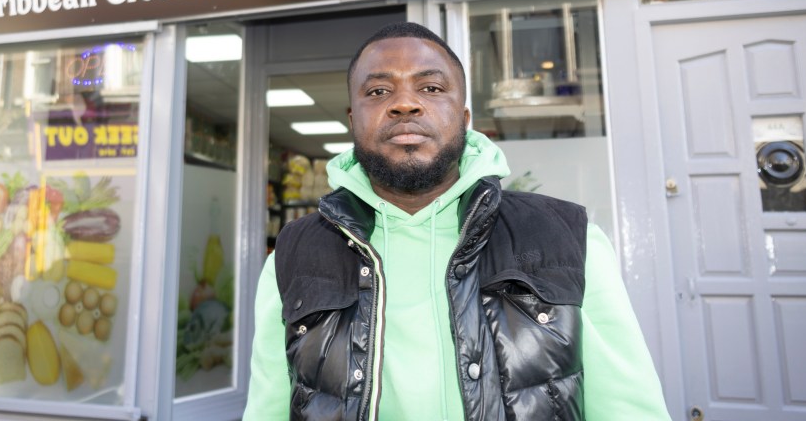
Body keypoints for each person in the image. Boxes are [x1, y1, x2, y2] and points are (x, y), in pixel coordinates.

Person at [243, 21, 671, 421]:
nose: (405, 104)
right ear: (353, 122)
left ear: (465, 120)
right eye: (377, 92)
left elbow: (631, 409)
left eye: (430, 87)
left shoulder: (568, 239)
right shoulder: (294, 254)